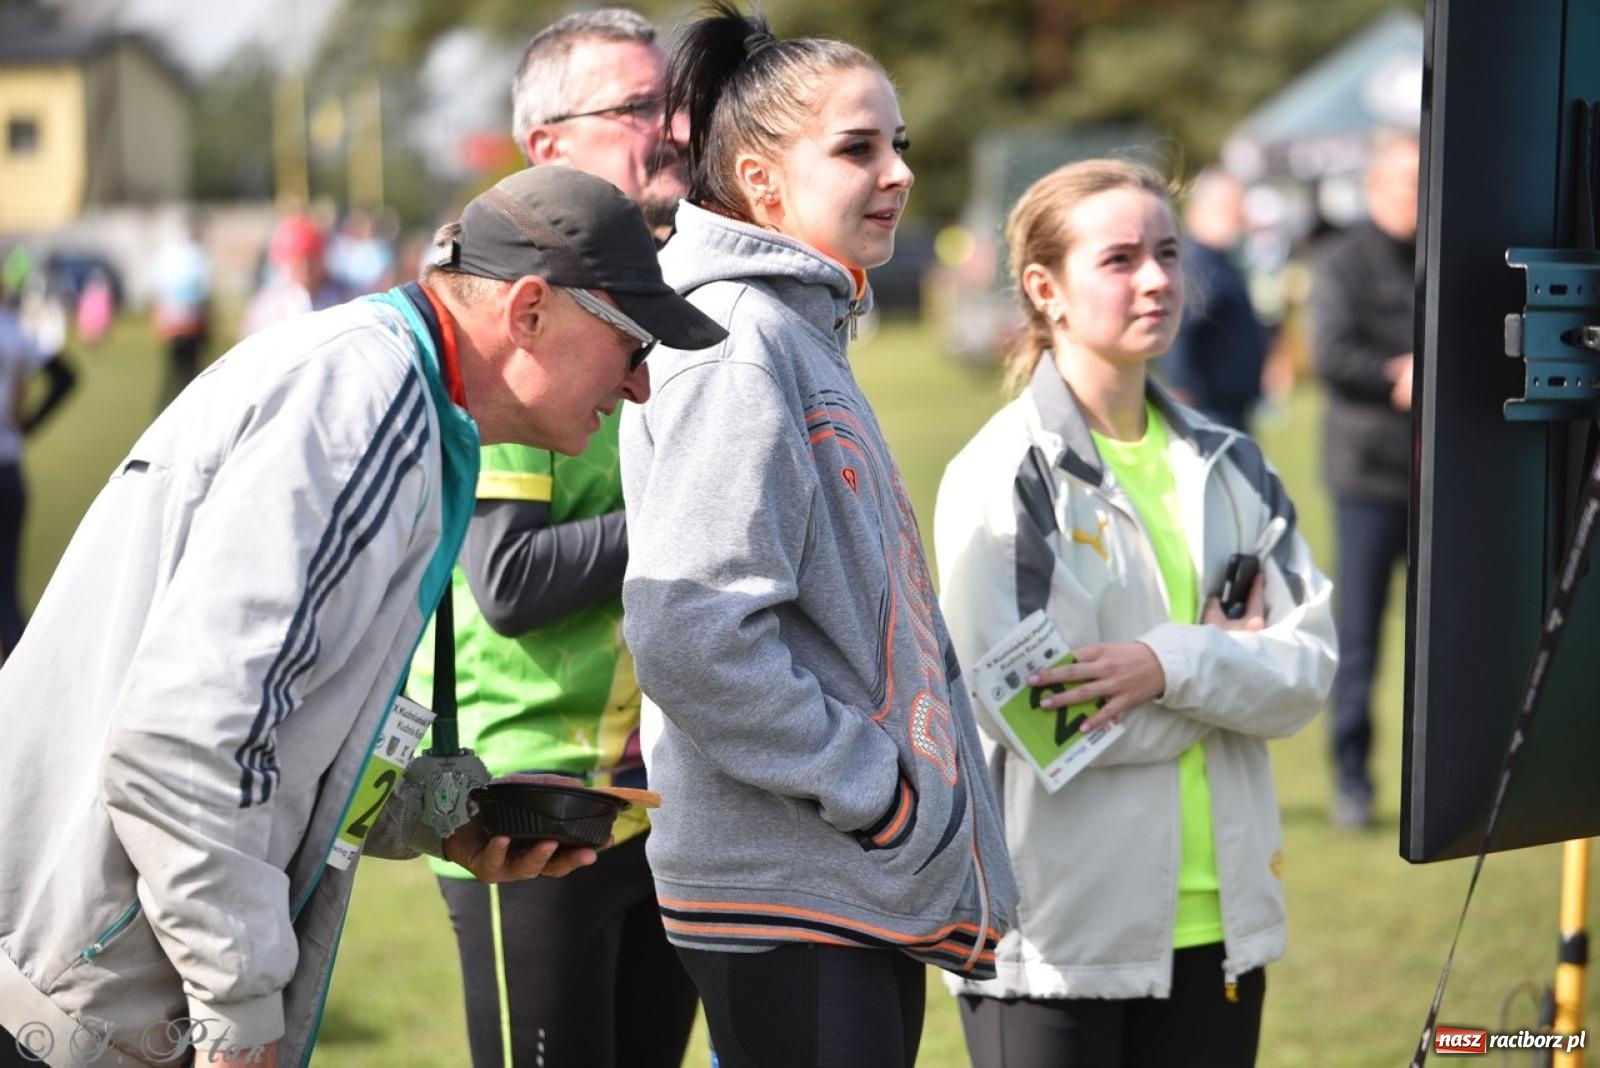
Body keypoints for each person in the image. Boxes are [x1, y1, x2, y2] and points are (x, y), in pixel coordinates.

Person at [0, 166, 726, 1068]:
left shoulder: (390, 392)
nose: (641, 386)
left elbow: (287, 724)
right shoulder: (370, 409)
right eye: (632, 344)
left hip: (78, 976)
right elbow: (183, 745)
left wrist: (438, 814)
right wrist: (238, 1010)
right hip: (67, 996)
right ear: (530, 310)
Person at [619, 7, 1019, 1066]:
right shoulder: (739, 345)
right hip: (791, 887)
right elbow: (692, 634)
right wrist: (876, 794)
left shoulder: (797, 330)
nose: (898, 173)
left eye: (900, 144)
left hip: (837, 883)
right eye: (857, 148)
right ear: (760, 181)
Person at [933, 158, 1337, 1067]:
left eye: (1168, 252)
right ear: (1045, 289)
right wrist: (1225, 679)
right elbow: (1039, 716)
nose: (1155, 278)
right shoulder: (1004, 472)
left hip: (1224, 927)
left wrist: (1162, 667)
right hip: (1055, 941)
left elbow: (1307, 673)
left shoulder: (1236, 463)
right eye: (1118, 259)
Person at [407, 10, 697, 1068]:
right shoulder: (508, 323)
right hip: (526, 802)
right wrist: (693, 509)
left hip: (658, 789)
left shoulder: (660, 294)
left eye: (676, 104)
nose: (673, 128)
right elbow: (511, 580)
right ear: (545, 146)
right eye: (638, 107)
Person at [1310, 128, 1419, 831]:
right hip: (1368, 478)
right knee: (1360, 639)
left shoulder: (1442, 255)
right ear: (1376, 186)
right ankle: (1353, 779)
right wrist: (1394, 375)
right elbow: (1329, 354)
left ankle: (1446, 778)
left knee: (1449, 638)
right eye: (1407, 183)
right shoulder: (1342, 260)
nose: (1418, 197)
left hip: (1440, 482)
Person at [1153, 168, 1267, 432]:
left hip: (1231, 405)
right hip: (1208, 408)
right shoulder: (1198, 265)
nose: (1241, 220)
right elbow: (1179, 331)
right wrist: (1181, 385)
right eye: (1234, 210)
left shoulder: (1221, 261)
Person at [0, 282, 75, 662]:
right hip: (8, 471)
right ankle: (23, 682)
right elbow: (65, 377)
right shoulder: (12, 331)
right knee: (6, 595)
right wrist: (27, 426)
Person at [240, 214, 349, 338]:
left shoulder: (344, 296)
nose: (305, 268)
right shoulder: (268, 303)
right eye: (298, 262)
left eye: (311, 260)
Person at [150, 212, 213, 409]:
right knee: (188, 372)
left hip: (175, 321)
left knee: (179, 371)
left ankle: (166, 410)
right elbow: (202, 290)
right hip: (187, 321)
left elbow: (158, 287)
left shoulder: (172, 252)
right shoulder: (195, 254)